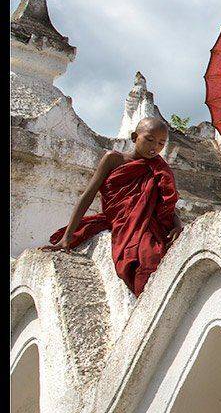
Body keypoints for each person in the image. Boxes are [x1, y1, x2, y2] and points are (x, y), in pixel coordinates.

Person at [47, 116, 181, 295]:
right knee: (139, 258)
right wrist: (67, 236)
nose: (154, 147)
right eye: (149, 139)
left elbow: (165, 201)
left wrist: (178, 224)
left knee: (151, 255)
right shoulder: (113, 159)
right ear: (135, 137)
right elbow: (88, 195)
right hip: (121, 221)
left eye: (160, 143)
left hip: (147, 223)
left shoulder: (158, 167)